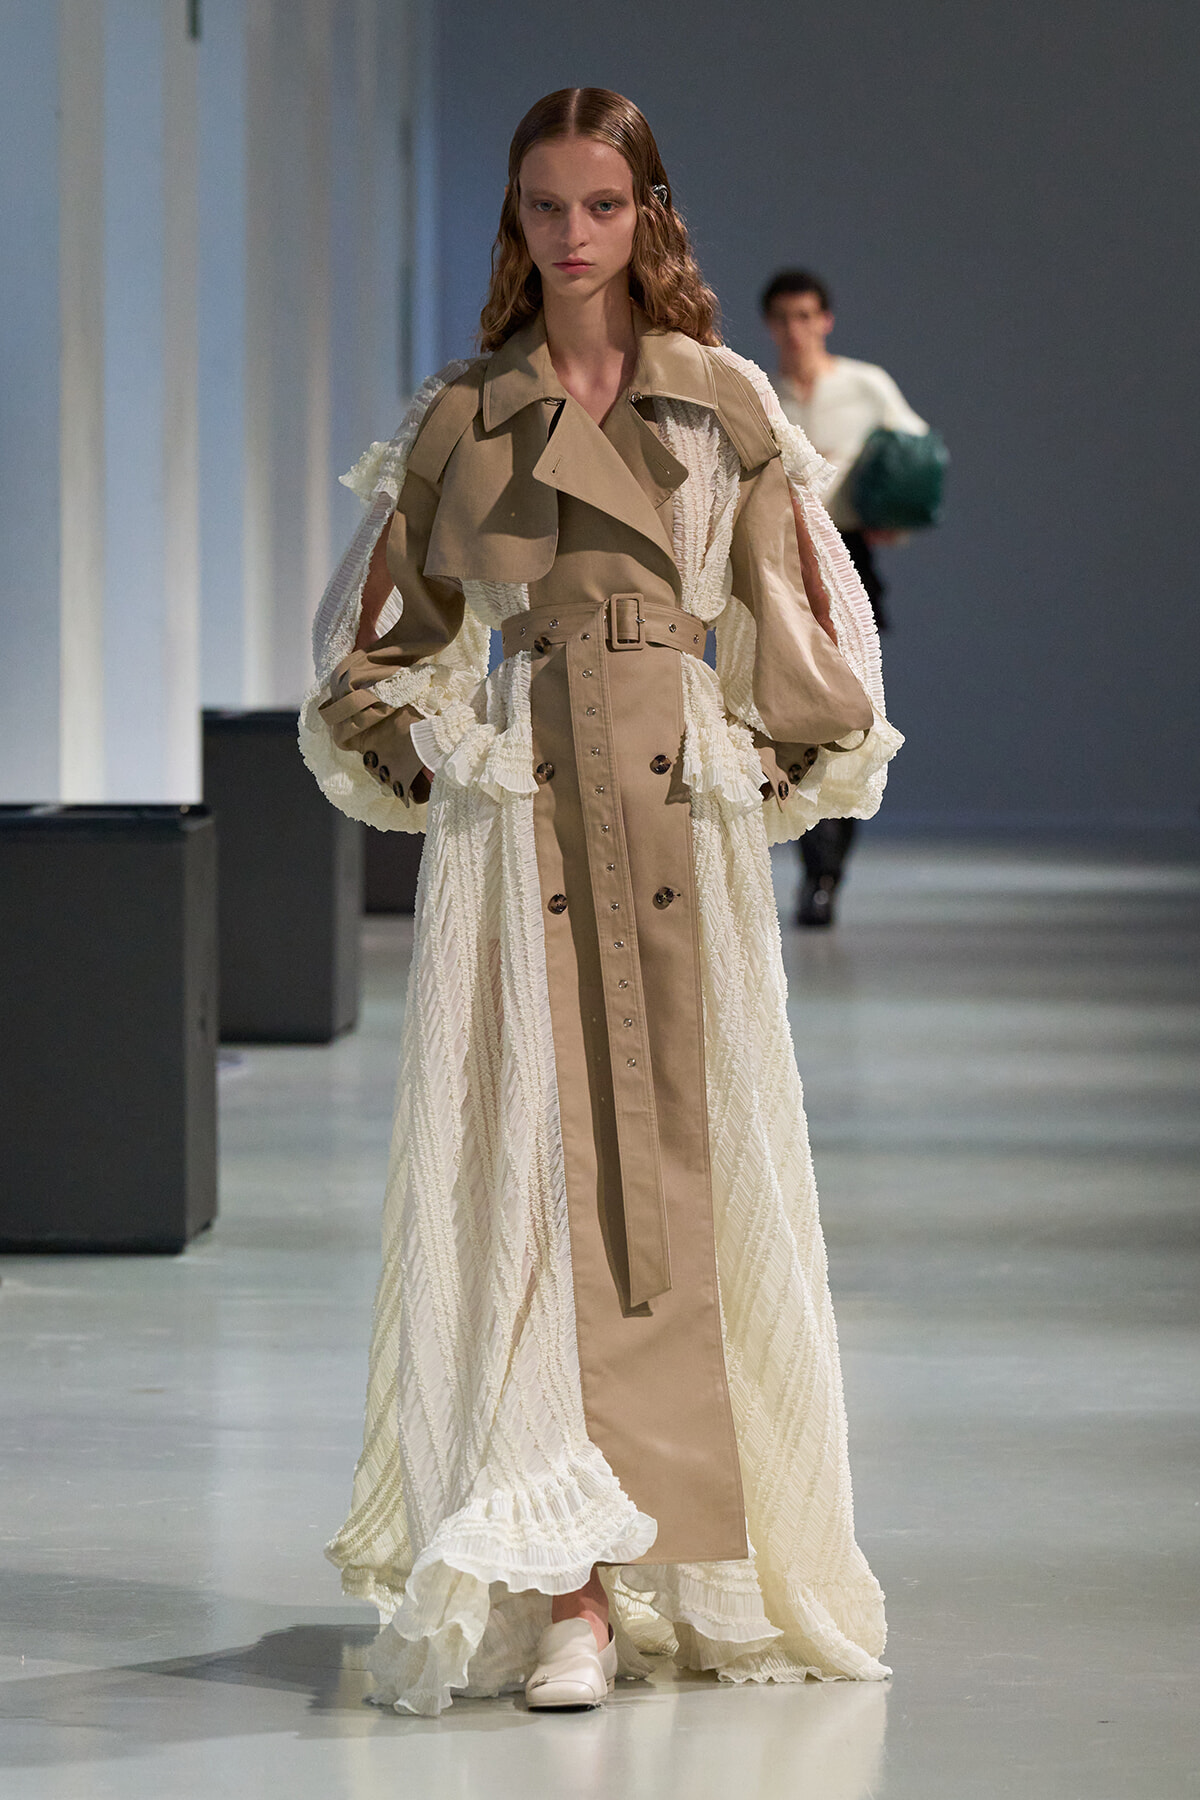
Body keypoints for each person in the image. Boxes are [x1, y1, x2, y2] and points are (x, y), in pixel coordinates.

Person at [300, 88, 901, 1718]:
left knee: (686, 1184)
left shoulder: (721, 407)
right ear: (516, 219)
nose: (574, 235)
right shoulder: (465, 414)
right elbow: (372, 642)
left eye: (603, 205)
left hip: (671, 837)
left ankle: (675, 1557)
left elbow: (807, 621)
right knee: (535, 1191)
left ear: (650, 215)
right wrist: (449, 750)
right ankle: (567, 1589)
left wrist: (767, 756)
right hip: (525, 842)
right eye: (545, 206)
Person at [762, 269, 927, 926]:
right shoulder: (761, 392)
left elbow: (917, 460)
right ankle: (815, 868)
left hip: (849, 561)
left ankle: (827, 872)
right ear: (770, 324)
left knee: (850, 714)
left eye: (807, 315)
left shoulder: (865, 386)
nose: (796, 329)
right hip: (776, 566)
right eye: (784, 317)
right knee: (793, 716)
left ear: (826, 319)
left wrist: (894, 515)